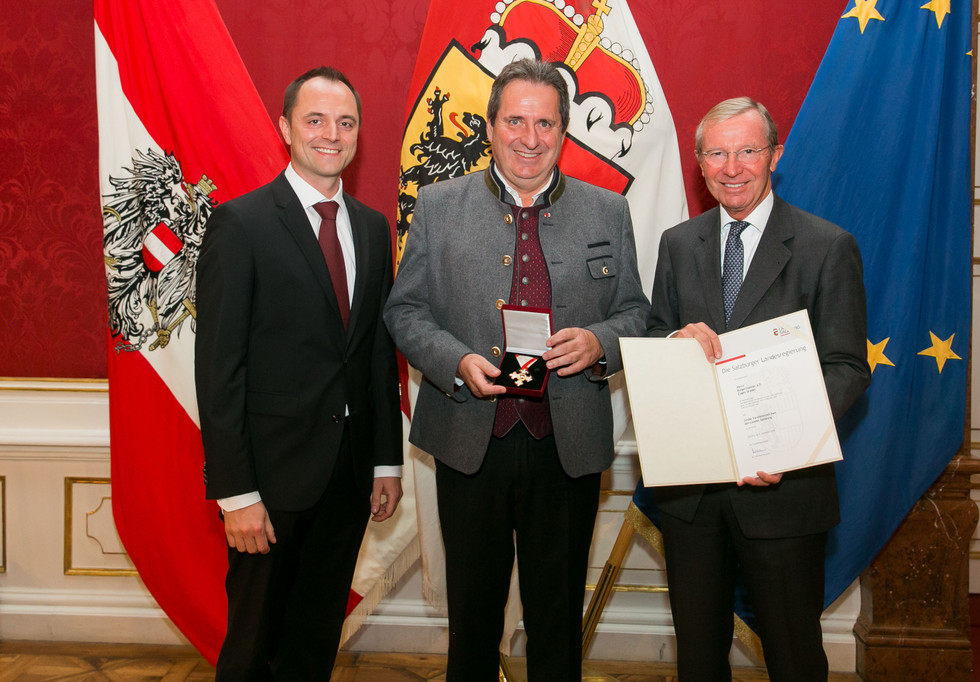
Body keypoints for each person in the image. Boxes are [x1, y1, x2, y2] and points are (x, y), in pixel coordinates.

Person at [383, 59, 649, 681]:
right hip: (469, 441)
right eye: (515, 122)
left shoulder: (607, 211)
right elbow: (405, 310)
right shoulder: (439, 205)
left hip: (568, 446)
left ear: (563, 131)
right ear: (490, 126)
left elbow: (637, 311)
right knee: (472, 620)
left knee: (557, 622)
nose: (530, 139)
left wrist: (599, 341)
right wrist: (455, 360)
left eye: (545, 124)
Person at [646, 96, 870, 682]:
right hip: (692, 497)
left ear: (775, 154)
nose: (732, 167)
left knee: (795, 658)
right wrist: (673, 340)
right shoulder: (678, 243)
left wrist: (783, 446)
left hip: (784, 494)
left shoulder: (827, 246)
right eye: (717, 154)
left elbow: (847, 367)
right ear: (699, 163)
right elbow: (652, 336)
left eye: (747, 150)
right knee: (698, 660)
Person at [195, 66, 403, 681]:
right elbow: (219, 370)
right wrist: (237, 495)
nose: (331, 135)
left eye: (346, 122)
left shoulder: (373, 228)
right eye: (315, 120)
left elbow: (375, 353)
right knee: (251, 648)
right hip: (269, 483)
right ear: (285, 128)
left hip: (347, 478)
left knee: (313, 645)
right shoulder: (241, 224)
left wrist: (385, 462)